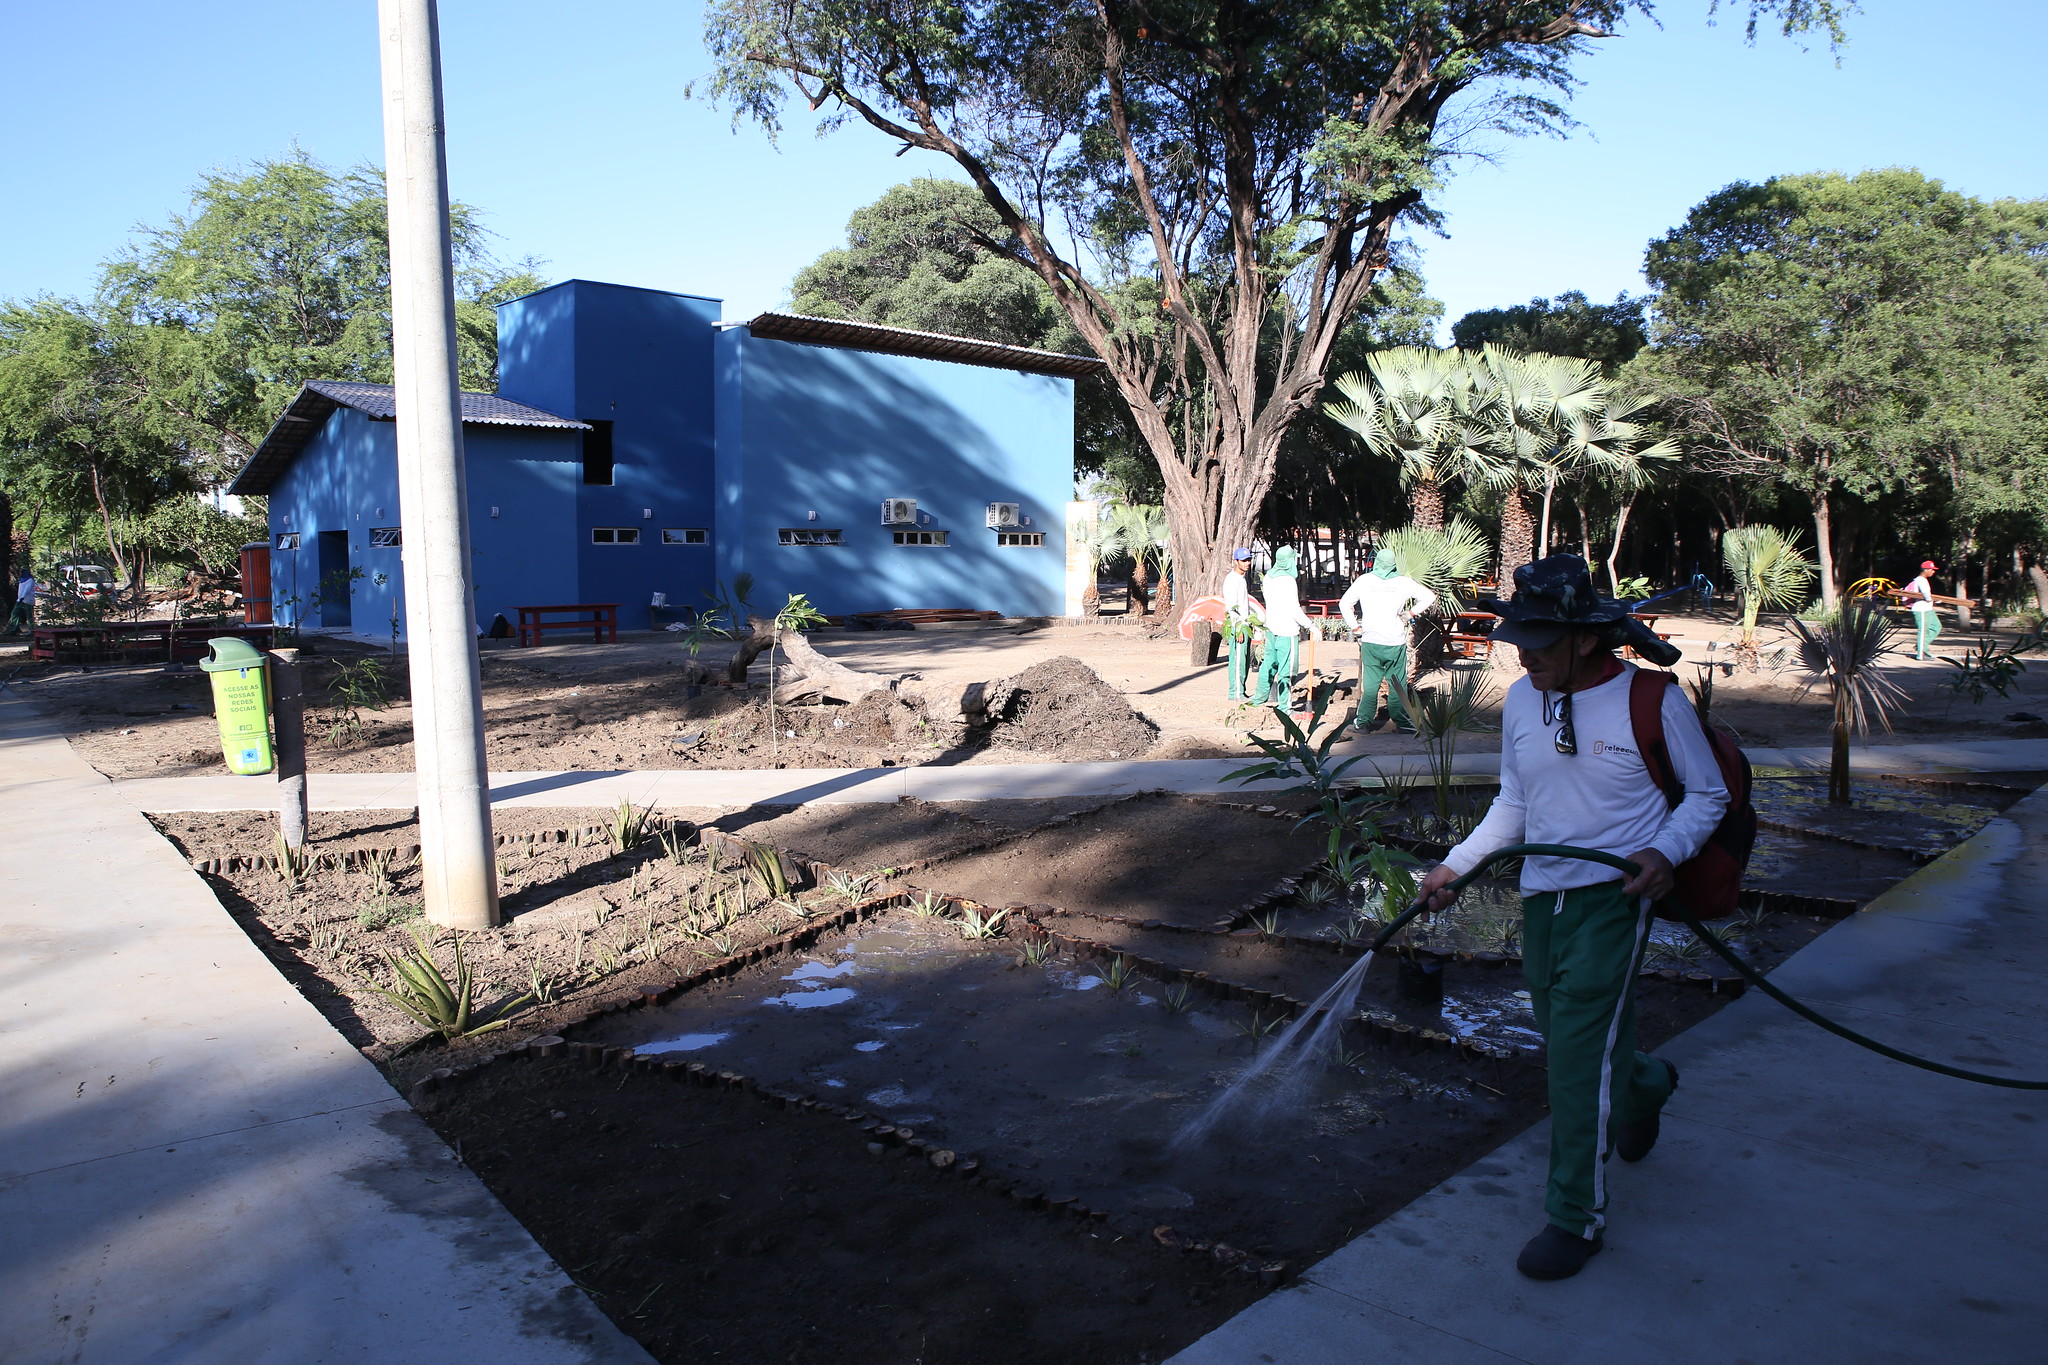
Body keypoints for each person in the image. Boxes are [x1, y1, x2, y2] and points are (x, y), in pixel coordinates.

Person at [1415, 553, 1728, 1282]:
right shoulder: (1526, 699)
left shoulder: (1652, 700)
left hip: (1614, 900)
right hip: (1542, 895)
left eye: (1537, 638)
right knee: (1575, 1041)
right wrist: (1457, 867)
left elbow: (1706, 796)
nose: (1520, 652)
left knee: (1575, 1062)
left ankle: (1574, 1217)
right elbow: (1514, 804)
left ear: (1585, 638)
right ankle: (1647, 1085)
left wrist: (1665, 851)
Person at [1339, 547, 1435, 733]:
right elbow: (1429, 596)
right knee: (1397, 684)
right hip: (1395, 641)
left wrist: (1355, 626)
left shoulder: (1364, 581)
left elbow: (1344, 603)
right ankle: (1402, 722)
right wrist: (1410, 613)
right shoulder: (1404, 582)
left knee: (1371, 685)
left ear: (1376, 562)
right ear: (1394, 564)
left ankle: (1363, 722)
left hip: (1371, 640)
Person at [1251, 546, 1311, 707]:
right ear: (1289, 561)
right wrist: (1310, 626)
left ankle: (1258, 699)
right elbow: (1294, 609)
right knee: (1287, 671)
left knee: (1268, 666)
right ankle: (1285, 706)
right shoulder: (1288, 580)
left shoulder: (1269, 577)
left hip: (1272, 629)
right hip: (1287, 631)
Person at [1222, 549, 1263, 701]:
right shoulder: (1232, 579)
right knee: (1238, 660)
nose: (1247, 563)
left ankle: (1241, 690)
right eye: (1243, 560)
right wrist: (1239, 627)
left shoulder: (1241, 579)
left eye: (1248, 560)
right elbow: (1232, 607)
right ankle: (1235, 693)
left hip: (1245, 625)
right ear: (1236, 561)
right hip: (1238, 626)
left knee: (1244, 659)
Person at [1904, 559, 1942, 659]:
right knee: (1923, 630)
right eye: (1932, 569)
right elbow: (1925, 593)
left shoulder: (1923, 580)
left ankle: (1921, 645)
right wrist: (1930, 599)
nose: (1933, 571)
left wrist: (1933, 600)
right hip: (1921, 609)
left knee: (1936, 627)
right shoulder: (1921, 580)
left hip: (1927, 608)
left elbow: (1927, 594)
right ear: (1926, 570)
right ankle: (1921, 654)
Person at [4, 571, 36, 636]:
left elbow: (27, 589)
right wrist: (20, 598)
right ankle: (13, 629)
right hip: (20, 600)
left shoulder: (30, 580)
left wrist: (22, 597)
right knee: (14, 613)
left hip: (27, 600)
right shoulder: (21, 580)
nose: (20, 573)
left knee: (29, 615)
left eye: (22, 571)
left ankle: (32, 630)